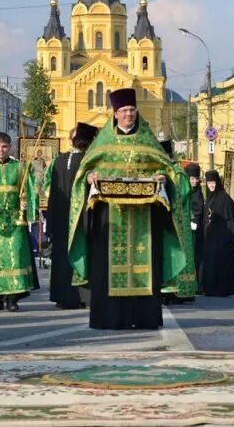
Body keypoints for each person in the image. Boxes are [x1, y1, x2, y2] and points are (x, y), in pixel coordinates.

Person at [68, 89, 187, 330]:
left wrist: (162, 177)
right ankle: (109, 318)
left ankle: (145, 317)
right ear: (116, 113)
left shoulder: (148, 141)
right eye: (124, 111)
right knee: (108, 266)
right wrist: (90, 177)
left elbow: (169, 169)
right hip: (110, 219)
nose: (129, 115)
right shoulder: (103, 142)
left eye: (132, 110)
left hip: (146, 219)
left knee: (146, 265)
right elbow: (83, 175)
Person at [0, 132, 37, 312]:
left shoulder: (19, 168)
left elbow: (28, 190)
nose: (0, 150)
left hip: (14, 220)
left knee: (15, 259)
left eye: (4, 147)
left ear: (9, 148)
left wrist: (26, 205)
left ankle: (13, 299)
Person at [44, 122, 97, 309]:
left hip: (66, 216)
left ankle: (66, 296)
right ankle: (78, 296)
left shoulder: (60, 160)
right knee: (77, 252)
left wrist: (49, 221)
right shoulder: (87, 161)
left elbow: (49, 192)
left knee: (69, 252)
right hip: (77, 216)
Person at [160, 141, 198, 305]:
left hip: (178, 221)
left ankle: (181, 290)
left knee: (178, 253)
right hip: (166, 220)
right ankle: (167, 289)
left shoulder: (178, 173)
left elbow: (182, 194)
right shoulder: (162, 171)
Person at [200, 170, 234, 297]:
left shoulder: (224, 198)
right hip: (210, 237)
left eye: (213, 183)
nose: (211, 185)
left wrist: (230, 237)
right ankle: (210, 288)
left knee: (220, 263)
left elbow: (230, 219)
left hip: (221, 238)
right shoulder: (210, 198)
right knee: (210, 263)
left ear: (217, 183)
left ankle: (222, 290)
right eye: (209, 183)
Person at [186, 163, 206, 291]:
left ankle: (195, 284)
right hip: (184, 227)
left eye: (196, 179)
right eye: (192, 179)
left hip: (195, 230)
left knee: (195, 256)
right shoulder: (184, 191)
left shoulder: (199, 193)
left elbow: (199, 210)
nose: (194, 181)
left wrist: (194, 221)